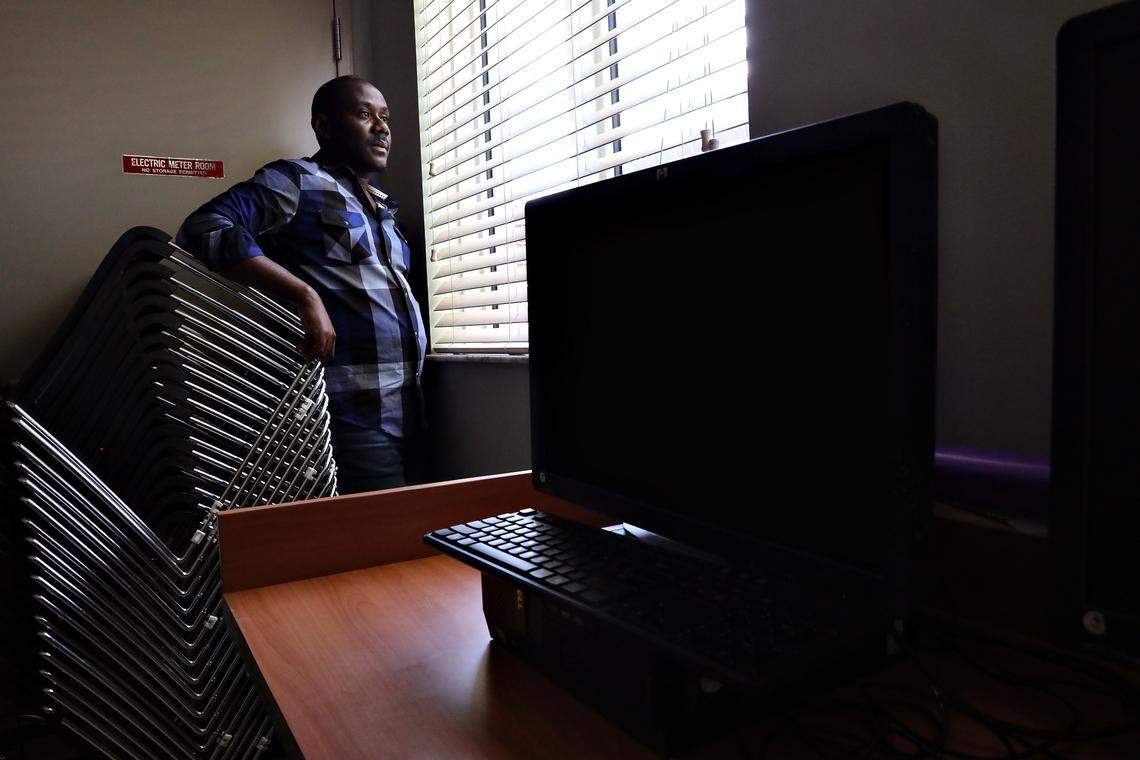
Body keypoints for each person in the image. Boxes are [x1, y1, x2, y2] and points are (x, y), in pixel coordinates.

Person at [176, 75, 427, 493]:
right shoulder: (297, 180)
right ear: (324, 126)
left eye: (385, 117)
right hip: (349, 415)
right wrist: (304, 294)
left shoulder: (383, 208)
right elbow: (204, 226)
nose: (382, 127)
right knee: (382, 530)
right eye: (364, 114)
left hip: (411, 411)